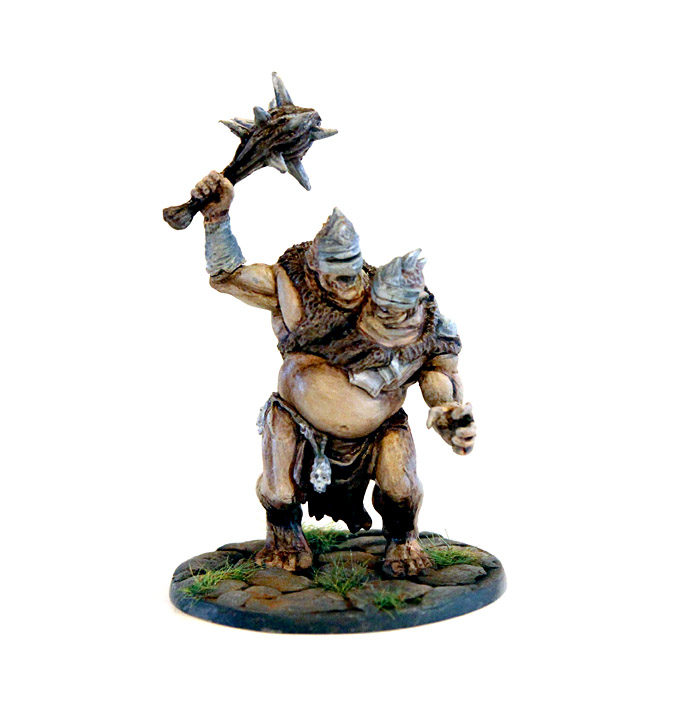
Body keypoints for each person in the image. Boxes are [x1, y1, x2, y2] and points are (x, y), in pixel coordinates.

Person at [191, 171, 476, 577]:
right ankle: (284, 537)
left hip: (378, 428)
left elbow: (435, 368)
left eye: (352, 272)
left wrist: (445, 408)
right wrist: (216, 218)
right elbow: (228, 276)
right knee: (279, 489)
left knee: (401, 487)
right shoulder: (293, 286)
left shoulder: (400, 305)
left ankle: (403, 541)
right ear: (315, 267)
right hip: (298, 420)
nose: (346, 283)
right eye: (335, 274)